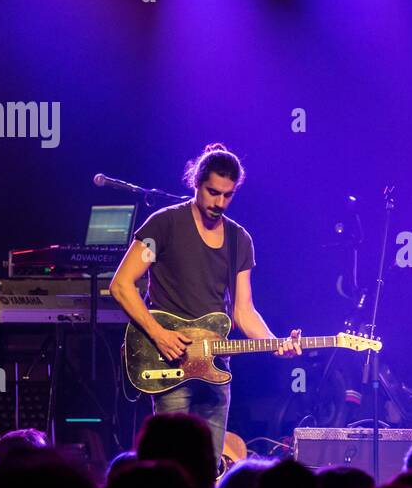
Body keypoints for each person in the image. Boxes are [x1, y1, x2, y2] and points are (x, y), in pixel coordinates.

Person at [110, 143, 301, 470]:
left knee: (207, 469)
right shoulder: (164, 225)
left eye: (228, 195)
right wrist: (158, 335)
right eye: (213, 192)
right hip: (171, 362)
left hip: (216, 368)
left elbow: (243, 311)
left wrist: (275, 342)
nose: (219, 203)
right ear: (196, 183)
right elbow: (121, 285)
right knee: (168, 467)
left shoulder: (240, 240)